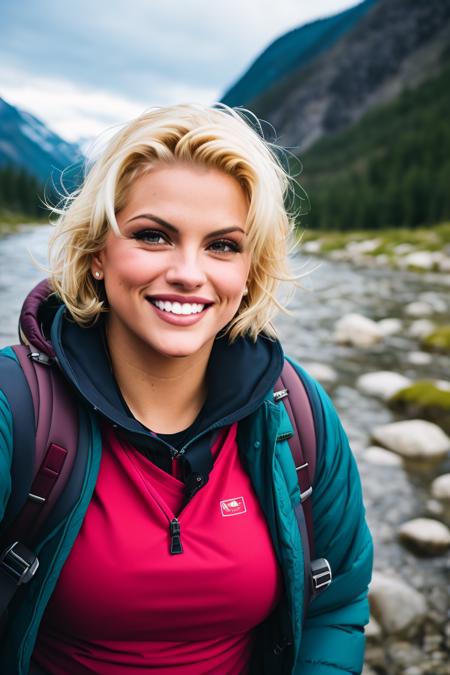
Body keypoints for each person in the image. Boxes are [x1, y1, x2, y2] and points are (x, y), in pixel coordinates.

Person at [0, 103, 373, 674]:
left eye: (223, 245)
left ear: (250, 272)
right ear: (98, 253)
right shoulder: (18, 407)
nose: (189, 272)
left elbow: (337, 606)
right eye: (153, 236)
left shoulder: (298, 413)